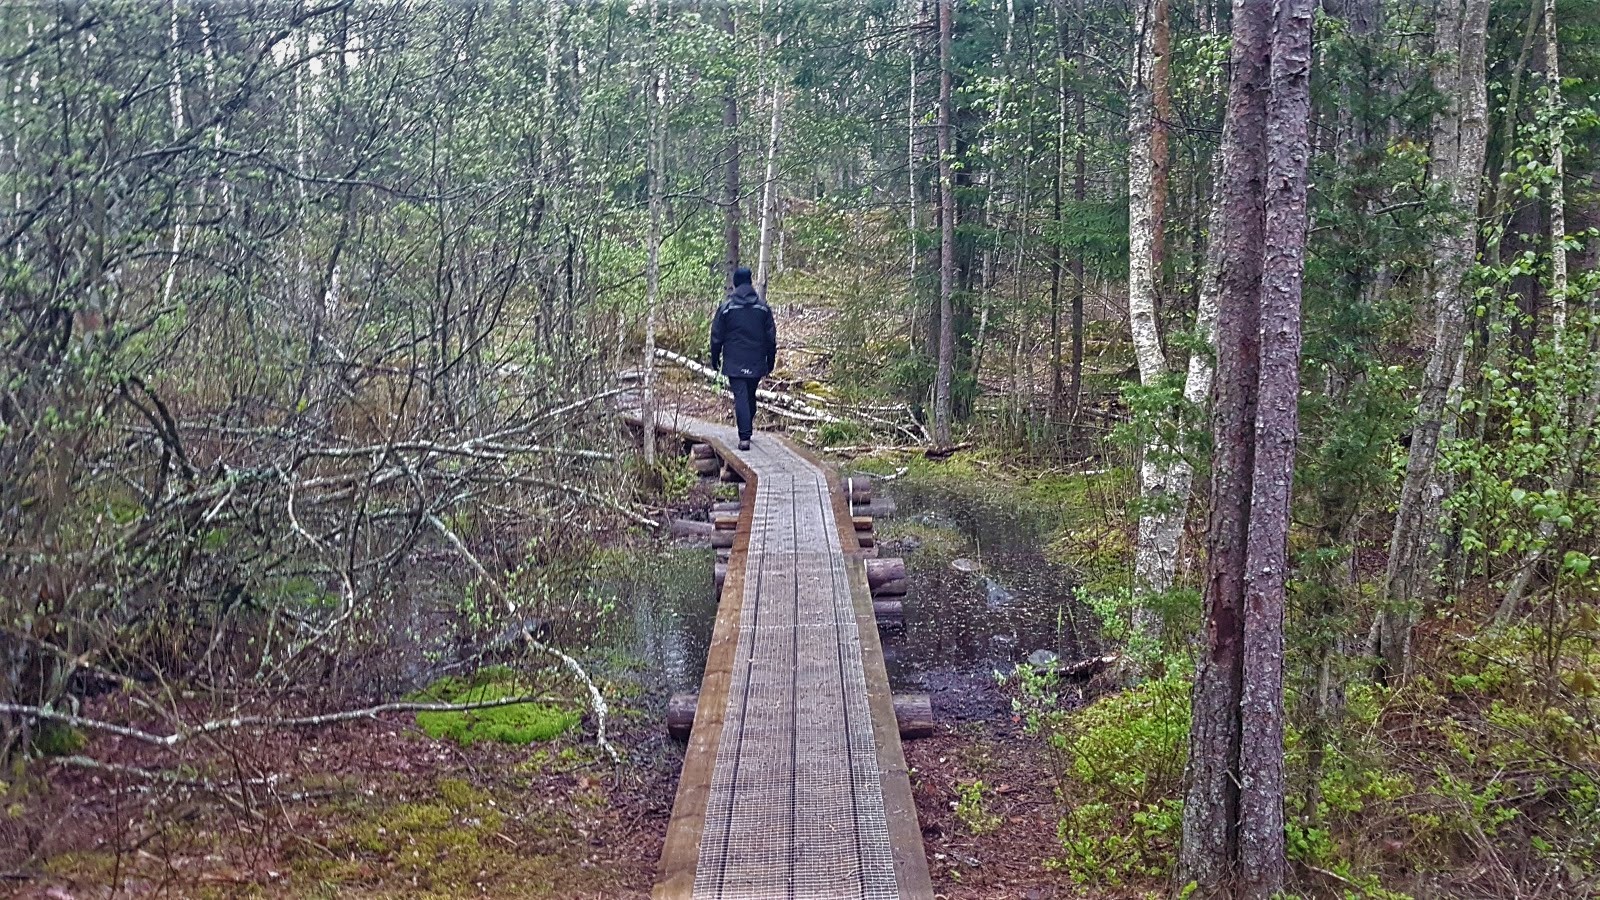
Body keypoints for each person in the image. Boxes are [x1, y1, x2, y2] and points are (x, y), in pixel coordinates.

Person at [709, 266, 776, 451]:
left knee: (741, 396)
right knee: (749, 394)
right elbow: (771, 338)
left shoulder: (726, 308)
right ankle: (747, 431)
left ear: (735, 283)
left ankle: (744, 437)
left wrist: (715, 358)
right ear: (750, 281)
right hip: (755, 359)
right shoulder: (763, 309)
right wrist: (770, 361)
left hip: (734, 360)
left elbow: (716, 336)